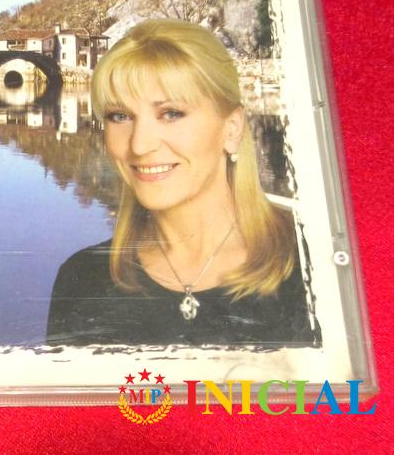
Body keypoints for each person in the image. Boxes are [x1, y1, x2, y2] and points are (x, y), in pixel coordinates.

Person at [46, 19, 320, 347]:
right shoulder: (82, 281)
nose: (140, 145)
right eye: (120, 116)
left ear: (231, 128)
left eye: (171, 114)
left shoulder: (317, 264)